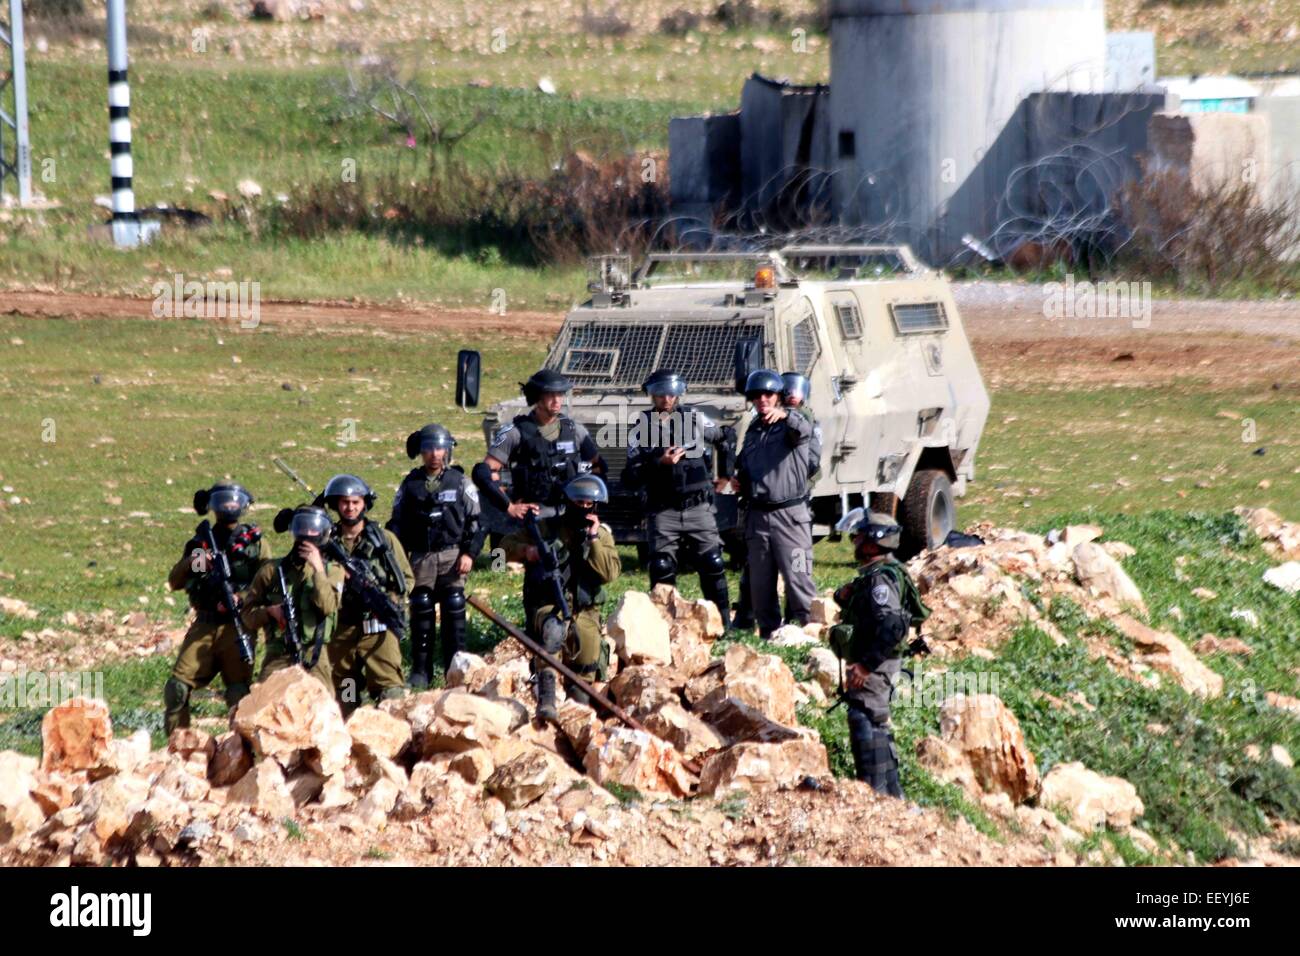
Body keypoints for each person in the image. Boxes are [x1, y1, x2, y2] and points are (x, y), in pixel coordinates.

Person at [499, 475, 620, 722]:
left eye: (590, 504)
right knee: (553, 632)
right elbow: (498, 554)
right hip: (548, 604)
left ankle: (578, 712)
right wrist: (527, 551)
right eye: (580, 503)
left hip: (586, 610)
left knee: (587, 657)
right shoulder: (546, 527)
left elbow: (609, 573)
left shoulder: (601, 535)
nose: (585, 508)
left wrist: (594, 539)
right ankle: (547, 698)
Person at [622, 368, 733, 628]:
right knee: (661, 568)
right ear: (652, 396)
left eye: (672, 394)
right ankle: (663, 626)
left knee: (713, 562)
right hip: (663, 510)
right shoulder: (640, 427)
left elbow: (725, 438)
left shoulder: (695, 419)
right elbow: (631, 474)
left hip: (698, 506)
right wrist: (659, 462)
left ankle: (723, 624)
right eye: (660, 394)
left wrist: (726, 475)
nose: (667, 399)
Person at [831, 510, 930, 798]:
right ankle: (891, 796)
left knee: (864, 718)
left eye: (860, 535)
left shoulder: (880, 581)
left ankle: (876, 795)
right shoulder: (879, 573)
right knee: (873, 720)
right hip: (877, 661)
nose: (854, 539)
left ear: (874, 544)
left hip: (876, 663)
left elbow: (893, 626)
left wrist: (864, 666)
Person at [164, 483, 272, 736]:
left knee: (238, 694)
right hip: (205, 624)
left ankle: (241, 751)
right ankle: (178, 749)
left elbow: (267, 581)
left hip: (239, 625)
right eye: (224, 502)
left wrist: (242, 597)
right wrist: (195, 561)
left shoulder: (254, 543)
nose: (229, 507)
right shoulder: (202, 543)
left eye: (234, 502)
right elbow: (176, 581)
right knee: (177, 688)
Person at [388, 424, 481, 688]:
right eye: (428, 448)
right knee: (421, 607)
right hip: (421, 557)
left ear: (448, 451)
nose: (434, 454)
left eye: (440, 448)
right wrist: (397, 553)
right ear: (421, 451)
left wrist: (469, 554)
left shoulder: (461, 482)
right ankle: (420, 670)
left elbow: (477, 523)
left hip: (452, 555)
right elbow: (397, 522)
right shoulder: (410, 484)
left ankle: (456, 668)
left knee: (454, 606)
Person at [731, 368, 816, 640]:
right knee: (760, 583)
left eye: (768, 394)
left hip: (791, 517)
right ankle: (770, 635)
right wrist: (739, 482)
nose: (762, 400)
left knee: (799, 578)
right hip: (758, 518)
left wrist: (787, 415)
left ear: (778, 396)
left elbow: (805, 431)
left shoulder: (795, 421)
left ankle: (810, 633)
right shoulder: (755, 430)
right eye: (756, 396)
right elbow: (745, 463)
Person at [318, 474, 414, 709]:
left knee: (390, 690)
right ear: (336, 505)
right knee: (345, 691)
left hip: (378, 627)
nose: (350, 508)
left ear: (364, 504)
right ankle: (349, 732)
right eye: (344, 502)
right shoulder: (326, 543)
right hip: (342, 627)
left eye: (355, 502)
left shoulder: (385, 540)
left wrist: (387, 600)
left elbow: (407, 579)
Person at [472, 368, 604, 525]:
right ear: (537, 397)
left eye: (560, 394)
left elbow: (598, 467)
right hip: (533, 518)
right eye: (550, 395)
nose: (556, 400)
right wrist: (509, 506)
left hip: (570, 516)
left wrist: (589, 507)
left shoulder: (575, 430)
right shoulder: (514, 432)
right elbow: (484, 473)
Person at [242, 506, 345, 688]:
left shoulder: (333, 571)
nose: (308, 534)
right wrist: (269, 612)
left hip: (315, 655)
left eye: (313, 529)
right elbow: (247, 616)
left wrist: (318, 570)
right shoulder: (271, 571)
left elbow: (327, 606)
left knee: (323, 710)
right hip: (279, 653)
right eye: (303, 528)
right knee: (261, 705)